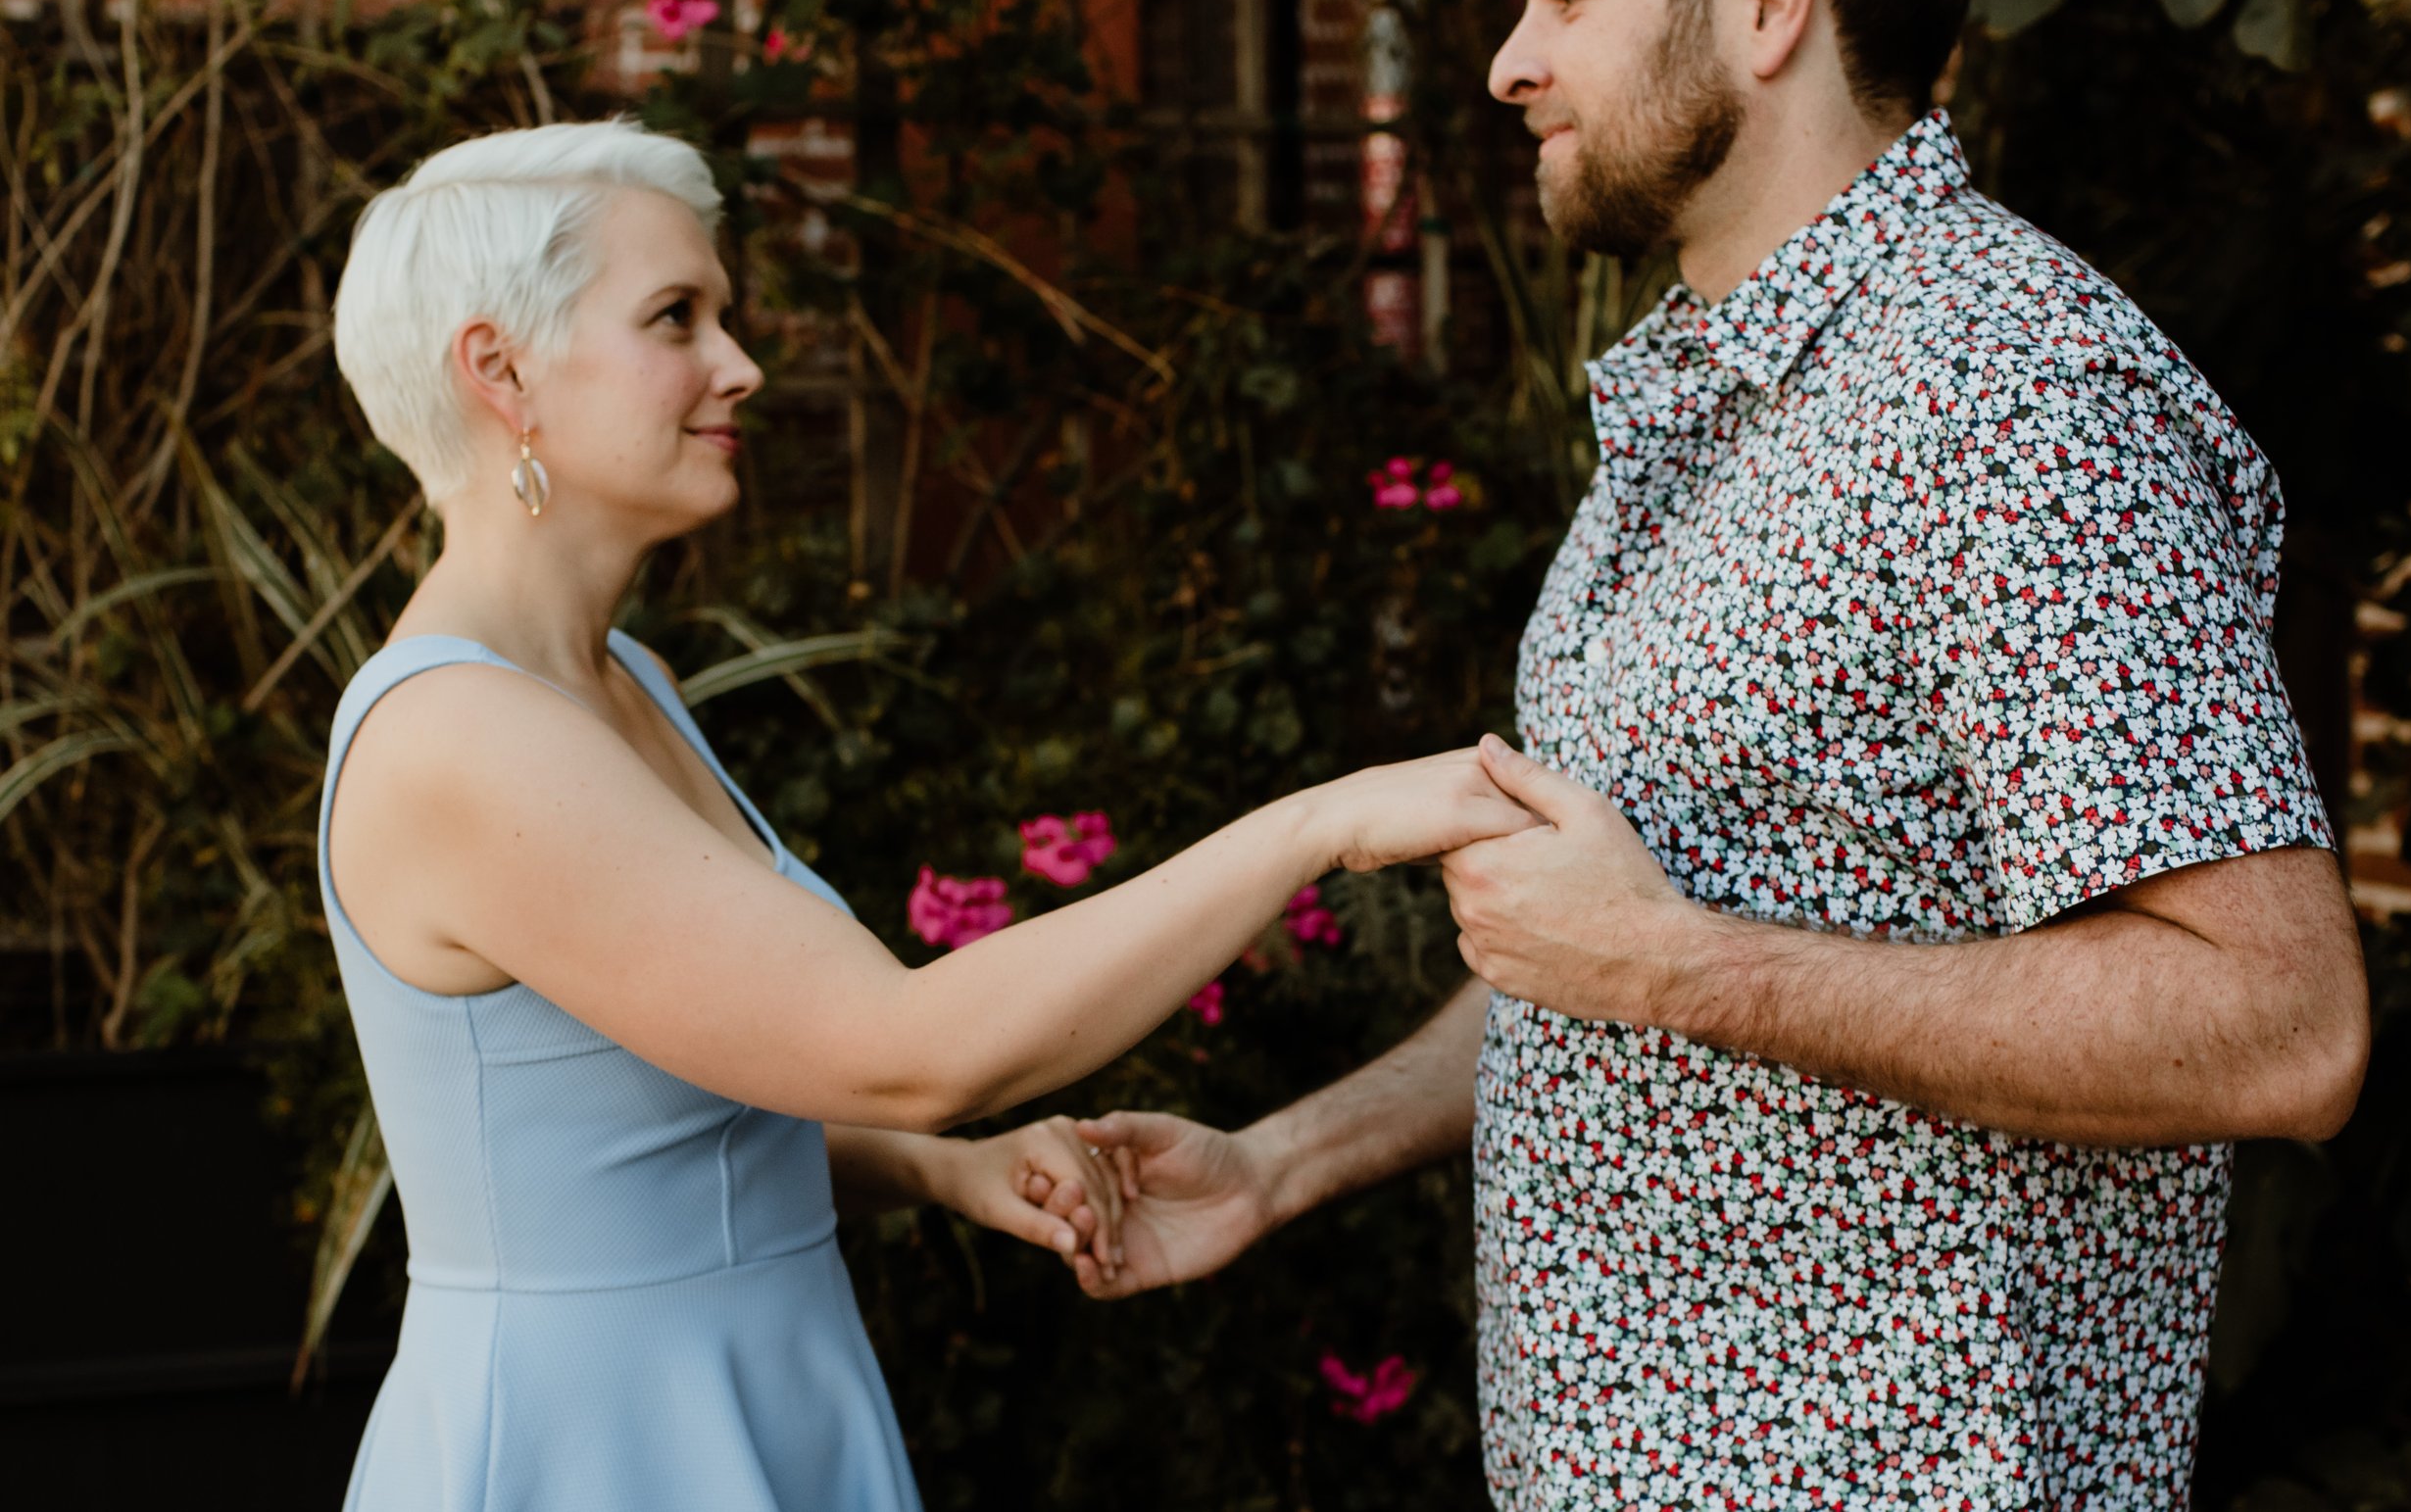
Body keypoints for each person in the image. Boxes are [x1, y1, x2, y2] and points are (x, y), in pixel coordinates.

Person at [1059, 0, 2372, 1508]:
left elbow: (2281, 1024)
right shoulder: (1712, 397)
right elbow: (1597, 952)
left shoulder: (2014, 404)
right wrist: (1279, 1162)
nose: (1506, 64)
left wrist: (1680, 962)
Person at [317, 119, 1538, 1512]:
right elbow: (900, 1047)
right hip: (595, 1441)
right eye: (678, 317)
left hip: (762, 1382)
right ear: (501, 370)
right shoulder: (460, 741)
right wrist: (1317, 824)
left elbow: (651, 1120)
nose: (742, 365)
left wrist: (941, 1174)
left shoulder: (618, 679)